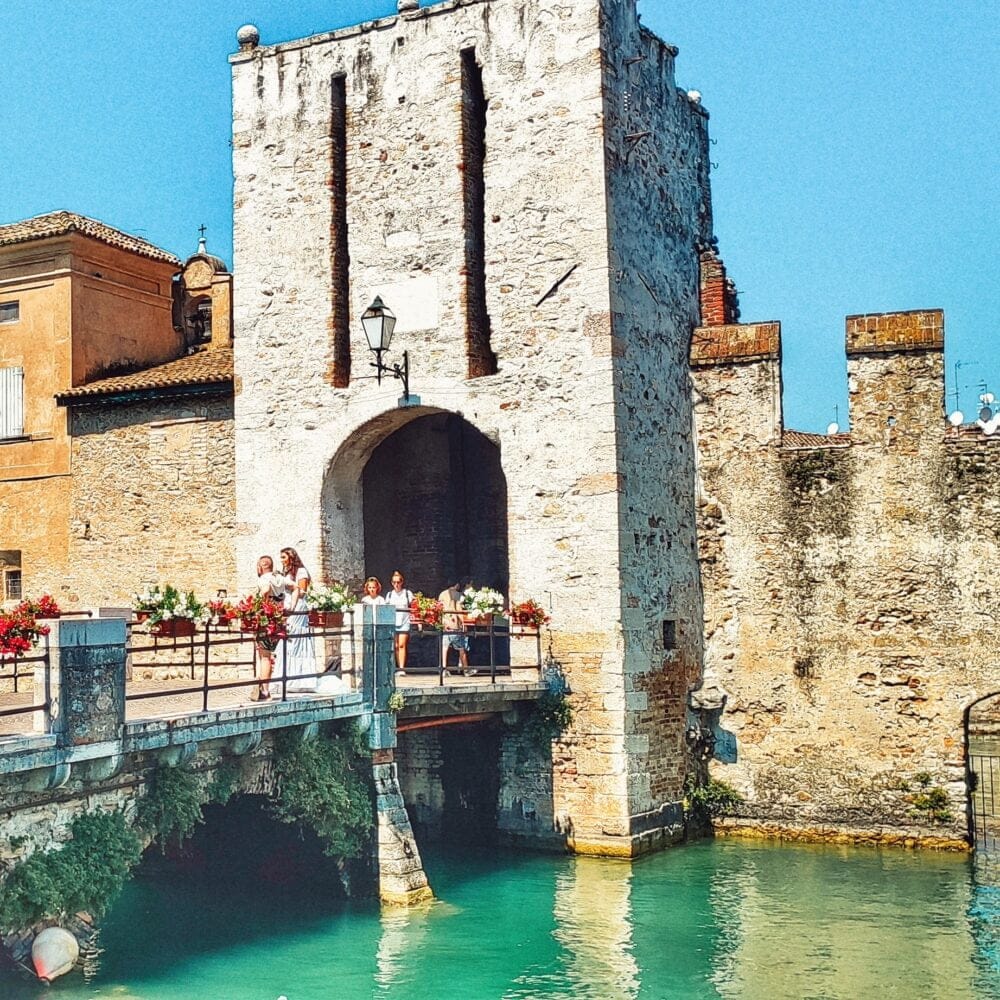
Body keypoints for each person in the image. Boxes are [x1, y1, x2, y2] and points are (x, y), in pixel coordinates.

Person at [274, 547, 314, 693]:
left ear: (291, 557)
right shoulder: (285, 573)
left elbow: (302, 592)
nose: (282, 560)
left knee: (294, 639)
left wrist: (291, 587)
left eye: (284, 557)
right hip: (288, 605)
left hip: (298, 607)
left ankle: (298, 679)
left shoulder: (301, 571)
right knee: (287, 639)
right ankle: (286, 677)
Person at [250, 555, 286, 701]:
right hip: (278, 620)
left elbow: (265, 590)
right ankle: (264, 687)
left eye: (258, 565)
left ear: (262, 565)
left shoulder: (264, 579)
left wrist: (262, 606)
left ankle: (265, 692)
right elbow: (295, 588)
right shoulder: (280, 579)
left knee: (264, 656)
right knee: (270, 655)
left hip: (266, 620)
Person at [385, 570, 415, 673]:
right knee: (395, 645)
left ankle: (402, 668)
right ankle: (395, 666)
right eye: (394, 582)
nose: (396, 584)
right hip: (393, 621)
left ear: (402, 582)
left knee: (402, 644)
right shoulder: (389, 595)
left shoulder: (407, 593)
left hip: (404, 621)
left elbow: (414, 606)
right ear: (392, 583)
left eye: (398, 582)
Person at [438, 581, 470, 675]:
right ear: (456, 585)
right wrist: (464, 622)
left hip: (445, 623)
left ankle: (443, 669)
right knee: (461, 648)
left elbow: (439, 608)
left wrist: (442, 621)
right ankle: (466, 669)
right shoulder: (457, 594)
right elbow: (458, 609)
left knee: (444, 647)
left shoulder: (442, 594)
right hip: (454, 624)